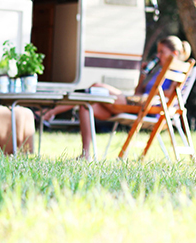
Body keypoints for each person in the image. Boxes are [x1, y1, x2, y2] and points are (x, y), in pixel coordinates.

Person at [42, 36, 192, 160]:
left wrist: (149, 96)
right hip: (136, 103)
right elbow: (138, 91)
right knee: (86, 106)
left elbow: (169, 96)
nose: (158, 56)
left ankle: (51, 112)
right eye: (158, 52)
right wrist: (143, 74)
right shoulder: (159, 71)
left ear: (175, 53)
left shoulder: (176, 72)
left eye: (162, 52)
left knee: (97, 86)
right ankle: (85, 154)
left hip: (148, 108)